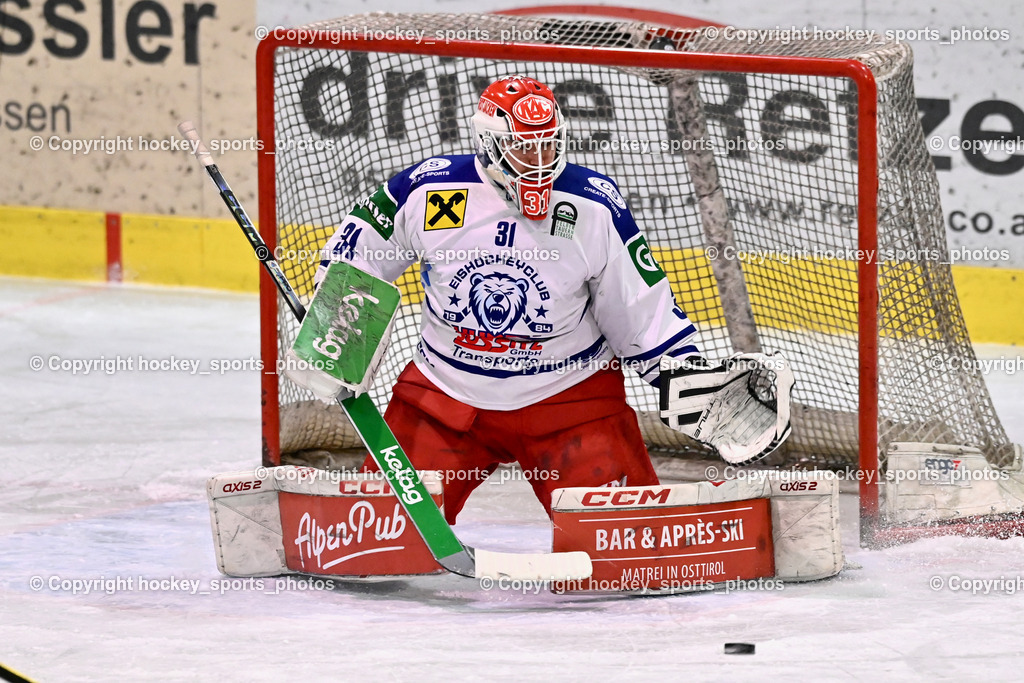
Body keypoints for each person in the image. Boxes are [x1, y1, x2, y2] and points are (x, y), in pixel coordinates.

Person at [316, 75, 700, 523]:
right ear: (489, 143)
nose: (539, 161)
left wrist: (682, 377)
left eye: (548, 145)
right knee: (377, 541)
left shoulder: (593, 206)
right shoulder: (428, 189)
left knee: (626, 550)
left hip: (569, 403)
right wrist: (331, 331)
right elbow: (358, 256)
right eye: (524, 147)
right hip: (444, 398)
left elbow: (638, 309)